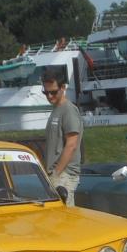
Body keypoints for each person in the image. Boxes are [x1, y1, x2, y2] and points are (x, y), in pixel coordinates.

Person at [42, 67, 82, 206]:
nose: (49, 96)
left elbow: (71, 145)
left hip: (64, 175)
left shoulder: (68, 110)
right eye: (45, 92)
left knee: (65, 221)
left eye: (53, 92)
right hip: (55, 174)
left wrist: (56, 173)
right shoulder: (56, 109)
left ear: (63, 87)